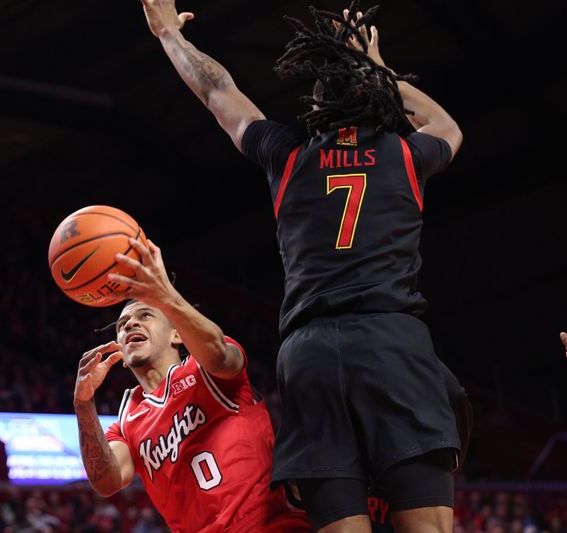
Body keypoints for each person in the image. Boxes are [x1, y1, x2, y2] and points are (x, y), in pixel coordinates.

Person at [138, 1, 464, 532]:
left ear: (315, 106)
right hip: (391, 342)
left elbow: (218, 94)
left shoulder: (287, 154)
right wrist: (377, 65)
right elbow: (446, 125)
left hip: (310, 354)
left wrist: (169, 35)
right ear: (378, 100)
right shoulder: (406, 155)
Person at [73, 238, 309, 532]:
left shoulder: (205, 368)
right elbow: (106, 482)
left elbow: (223, 358)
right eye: (122, 325)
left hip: (265, 524)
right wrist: (83, 404)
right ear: (119, 351)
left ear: (176, 335)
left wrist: (164, 296)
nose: (130, 325)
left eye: (145, 315)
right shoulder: (126, 422)